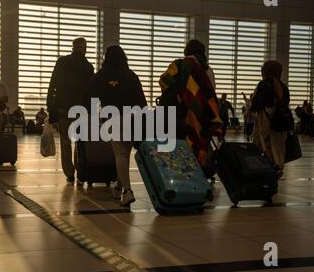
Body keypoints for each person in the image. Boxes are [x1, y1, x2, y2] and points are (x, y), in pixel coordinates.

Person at [82, 45, 147, 207]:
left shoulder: (102, 75)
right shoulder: (131, 75)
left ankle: (127, 191)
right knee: (125, 153)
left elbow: (87, 96)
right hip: (133, 118)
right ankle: (119, 186)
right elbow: (141, 101)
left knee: (119, 153)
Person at [159, 39, 223, 170]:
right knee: (200, 146)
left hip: (183, 112)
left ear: (186, 51)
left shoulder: (179, 64)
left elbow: (164, 80)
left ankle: (182, 174)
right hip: (204, 114)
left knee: (182, 145)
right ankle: (199, 175)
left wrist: (179, 94)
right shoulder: (208, 69)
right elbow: (211, 92)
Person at [46, 37, 94, 185]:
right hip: (81, 109)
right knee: (79, 142)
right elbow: (91, 91)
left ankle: (69, 173)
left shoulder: (62, 62)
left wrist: (50, 107)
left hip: (62, 108)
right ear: (84, 48)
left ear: (73, 47)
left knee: (65, 142)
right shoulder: (88, 67)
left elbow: (52, 84)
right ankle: (80, 171)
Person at [250, 60, 291, 179]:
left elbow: (256, 104)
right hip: (281, 120)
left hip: (266, 118)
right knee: (278, 145)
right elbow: (286, 102)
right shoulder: (283, 86)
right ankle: (277, 166)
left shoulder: (263, 84)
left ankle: (264, 168)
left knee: (262, 143)